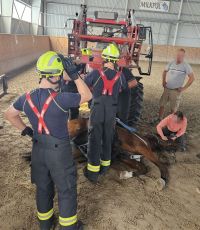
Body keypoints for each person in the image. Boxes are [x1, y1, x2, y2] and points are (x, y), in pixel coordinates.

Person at [4, 51, 92, 230]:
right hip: (59, 152)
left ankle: (45, 224)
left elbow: (9, 114)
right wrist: (74, 75)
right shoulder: (61, 98)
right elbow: (87, 95)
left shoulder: (26, 97)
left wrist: (27, 131)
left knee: (43, 188)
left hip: (38, 149)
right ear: (55, 75)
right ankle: (68, 227)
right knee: (66, 190)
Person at [83, 44, 127, 183]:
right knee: (108, 137)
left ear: (104, 58)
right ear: (116, 60)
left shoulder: (96, 73)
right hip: (111, 111)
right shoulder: (121, 76)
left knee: (95, 139)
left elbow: (85, 84)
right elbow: (123, 88)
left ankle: (93, 172)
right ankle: (105, 167)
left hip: (97, 110)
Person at [156, 48, 194, 122]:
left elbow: (192, 78)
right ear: (176, 55)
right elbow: (164, 71)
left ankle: (172, 123)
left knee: (173, 108)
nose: (179, 56)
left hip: (176, 91)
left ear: (183, 56)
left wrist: (183, 88)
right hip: (167, 88)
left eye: (181, 55)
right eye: (178, 55)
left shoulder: (186, 66)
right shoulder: (171, 63)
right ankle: (159, 118)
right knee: (162, 104)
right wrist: (163, 81)